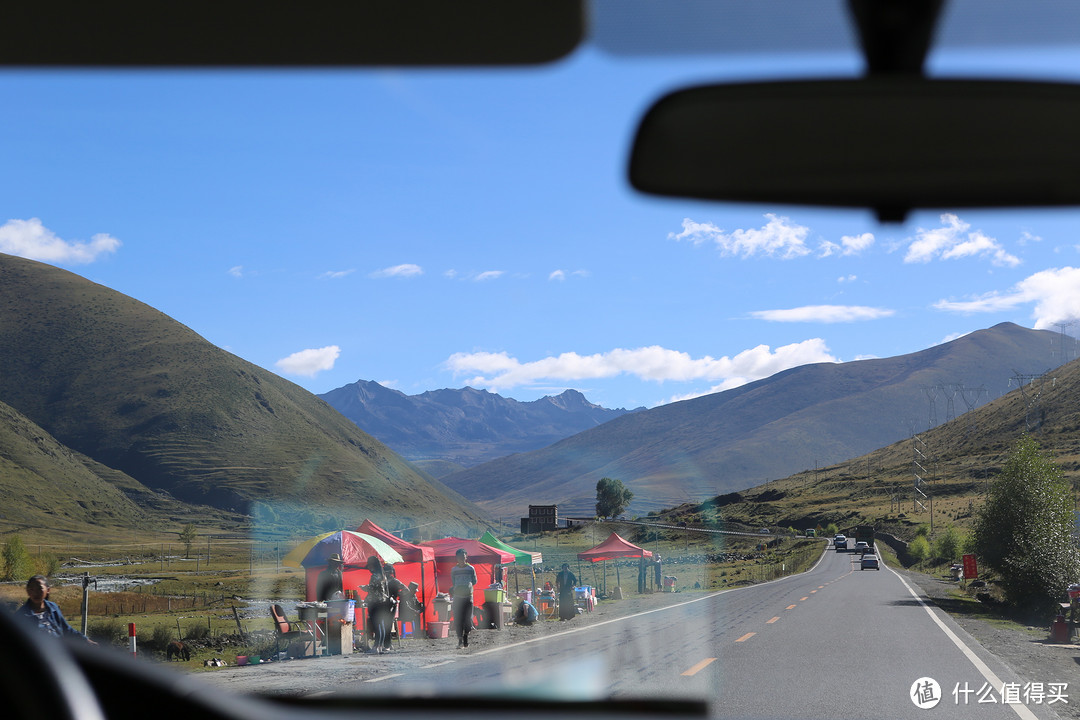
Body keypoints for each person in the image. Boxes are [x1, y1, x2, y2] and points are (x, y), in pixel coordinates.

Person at [16, 575, 97, 644]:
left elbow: (67, 630)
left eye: (39, 589)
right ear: (27, 591)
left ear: (48, 590)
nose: (35, 593)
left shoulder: (53, 608)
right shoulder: (22, 615)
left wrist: (85, 640)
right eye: (31, 589)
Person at [361, 555, 391, 653]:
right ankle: (380, 646)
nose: (369, 568)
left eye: (369, 566)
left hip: (375, 603)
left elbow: (372, 589)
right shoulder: (383, 576)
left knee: (376, 625)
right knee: (381, 624)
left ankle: (375, 647)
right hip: (383, 603)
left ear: (372, 565)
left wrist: (364, 588)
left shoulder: (374, 576)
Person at [450, 548, 477, 648]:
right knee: (458, 619)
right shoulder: (454, 570)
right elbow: (454, 582)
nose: (461, 558)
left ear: (466, 557)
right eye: (459, 557)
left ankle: (466, 635)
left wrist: (467, 586)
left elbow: (474, 581)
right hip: (457, 597)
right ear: (456, 558)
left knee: (468, 619)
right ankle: (460, 640)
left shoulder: (471, 569)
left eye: (463, 556)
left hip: (468, 597)